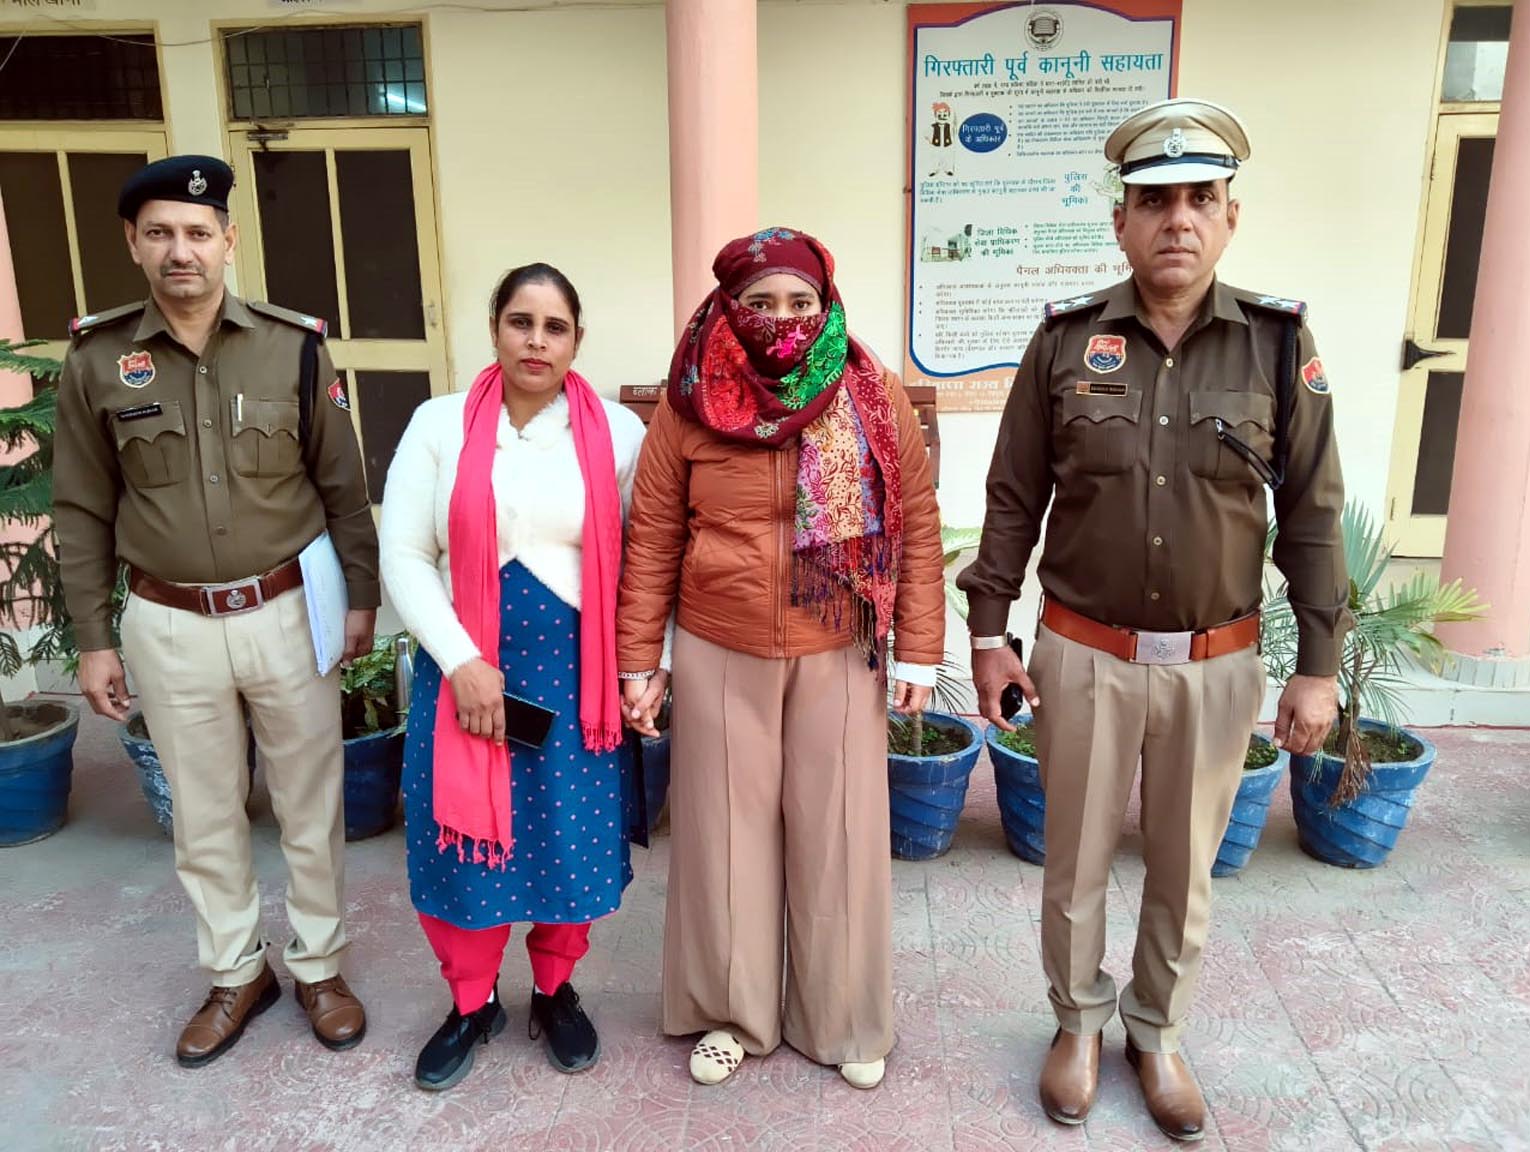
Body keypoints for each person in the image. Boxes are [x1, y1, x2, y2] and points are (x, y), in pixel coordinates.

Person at [960, 99, 1348, 1142]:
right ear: (1120, 222)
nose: (1177, 219)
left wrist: (1317, 664)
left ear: (1229, 218)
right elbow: (1012, 497)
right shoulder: (1063, 341)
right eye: (1154, 201)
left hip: (1215, 664)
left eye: (1198, 199)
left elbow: (1312, 511)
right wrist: (989, 634)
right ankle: (1076, 1023)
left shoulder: (1275, 344)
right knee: (1074, 862)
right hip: (1082, 654)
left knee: (1184, 865)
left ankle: (1156, 1031)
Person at [53, 155, 378, 1066]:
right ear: (132, 243)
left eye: (198, 233)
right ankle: (237, 972)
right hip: (168, 622)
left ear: (228, 241)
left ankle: (319, 965)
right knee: (203, 814)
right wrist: (93, 638)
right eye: (159, 233)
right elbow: (80, 507)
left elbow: (343, 487)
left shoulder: (293, 346)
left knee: (310, 801)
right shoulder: (96, 359)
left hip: (287, 610)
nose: (180, 250)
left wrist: (360, 598)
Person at [617, 228, 945, 1090]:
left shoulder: (869, 390)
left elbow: (913, 520)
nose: (782, 319)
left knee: (839, 835)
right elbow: (652, 532)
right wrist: (639, 657)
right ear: (728, 308)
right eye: (760, 303)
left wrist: (919, 650)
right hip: (719, 644)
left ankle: (841, 1018)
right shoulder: (689, 398)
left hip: (837, 643)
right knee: (724, 838)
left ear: (824, 304)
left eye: (800, 301)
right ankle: (732, 1014)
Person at [379, 263, 651, 1091]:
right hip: (462, 675)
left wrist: (647, 666)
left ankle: (555, 992)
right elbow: (404, 553)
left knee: (567, 839)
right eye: (520, 322)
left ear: (577, 340)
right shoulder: (438, 425)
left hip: (577, 684)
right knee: (463, 845)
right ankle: (470, 1003)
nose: (537, 341)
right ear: (494, 328)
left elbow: (646, 560)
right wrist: (460, 661)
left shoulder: (617, 433)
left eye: (554, 327)